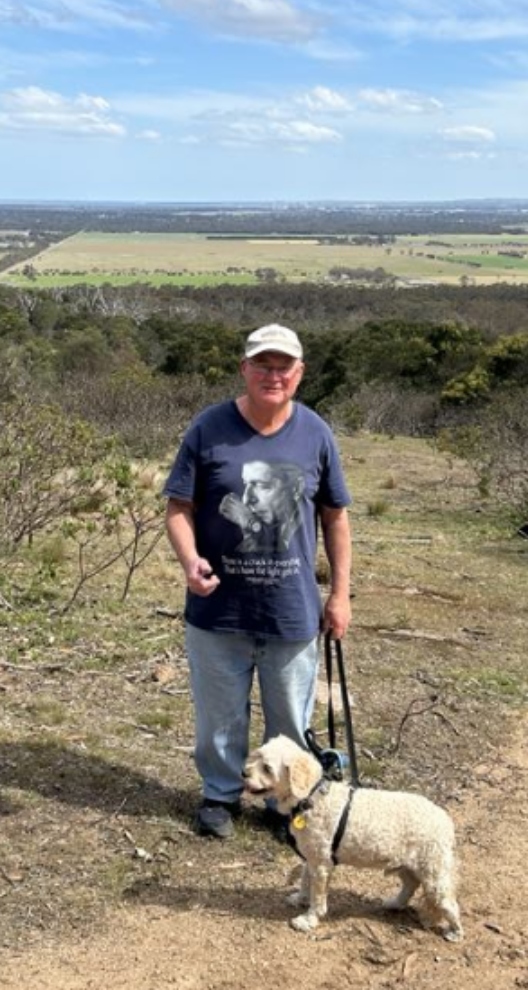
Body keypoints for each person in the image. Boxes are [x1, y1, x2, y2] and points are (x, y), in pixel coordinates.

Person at [163, 323, 352, 839]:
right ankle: (219, 795)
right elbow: (179, 507)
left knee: (290, 717)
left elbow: (335, 516)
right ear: (244, 369)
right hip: (217, 607)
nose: (273, 375)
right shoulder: (209, 428)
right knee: (219, 715)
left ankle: (283, 805)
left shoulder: (315, 433)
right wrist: (190, 561)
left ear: (300, 373)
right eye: (263, 365)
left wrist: (339, 595)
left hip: (291, 609)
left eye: (283, 366)